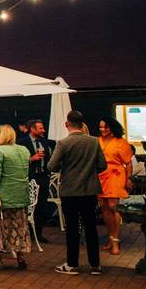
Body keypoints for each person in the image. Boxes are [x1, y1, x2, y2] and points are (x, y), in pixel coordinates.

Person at [47, 110, 107, 275]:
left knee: (72, 228)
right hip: (89, 190)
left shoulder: (63, 143)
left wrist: (65, 167)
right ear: (82, 124)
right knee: (91, 228)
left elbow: (51, 166)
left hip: (70, 191)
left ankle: (72, 264)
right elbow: (103, 165)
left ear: (67, 124)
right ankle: (95, 265)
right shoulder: (94, 141)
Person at [0, 125, 32, 270]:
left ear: (3, 135)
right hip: (21, 195)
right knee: (19, 226)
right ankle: (20, 256)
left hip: (3, 197)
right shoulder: (24, 150)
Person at [97, 117, 133, 255]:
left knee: (113, 205)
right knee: (104, 207)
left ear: (112, 127)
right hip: (100, 175)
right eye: (101, 127)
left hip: (115, 174)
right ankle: (111, 236)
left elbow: (128, 162)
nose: (103, 129)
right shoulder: (97, 141)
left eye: (105, 127)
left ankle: (115, 240)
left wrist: (129, 178)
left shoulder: (121, 142)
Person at [18, 119, 55, 243]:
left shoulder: (44, 142)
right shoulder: (22, 143)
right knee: (28, 205)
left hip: (43, 177)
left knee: (41, 205)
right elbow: (18, 160)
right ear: (32, 129)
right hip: (30, 177)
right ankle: (26, 232)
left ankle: (38, 233)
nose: (43, 130)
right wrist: (31, 159)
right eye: (40, 128)